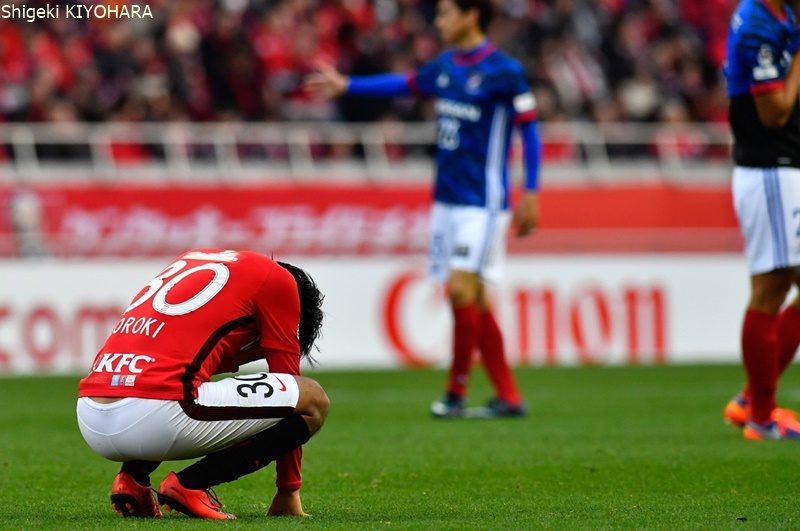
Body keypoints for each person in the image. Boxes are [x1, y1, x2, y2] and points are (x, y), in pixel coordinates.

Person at [305, 0, 541, 418]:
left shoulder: (505, 71)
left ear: (471, 16)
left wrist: (533, 192)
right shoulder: (446, 66)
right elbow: (405, 84)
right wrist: (349, 86)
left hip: (483, 203)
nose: (439, 21)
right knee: (477, 299)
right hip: (446, 201)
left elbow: (531, 131)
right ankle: (510, 395)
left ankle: (455, 392)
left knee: (461, 289)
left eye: (447, 13)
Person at [76, 248, 329, 518]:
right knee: (313, 399)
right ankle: (191, 485)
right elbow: (290, 383)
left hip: (90, 414)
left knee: (181, 383)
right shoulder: (278, 283)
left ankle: (133, 480)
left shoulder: (195, 259)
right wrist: (288, 490)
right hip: (152, 414)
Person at [723, 0, 800, 440]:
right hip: (770, 168)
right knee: (769, 289)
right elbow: (775, 112)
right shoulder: (756, 24)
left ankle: (753, 401)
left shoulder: (780, 15)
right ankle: (760, 416)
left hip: (782, 169)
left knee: (776, 288)